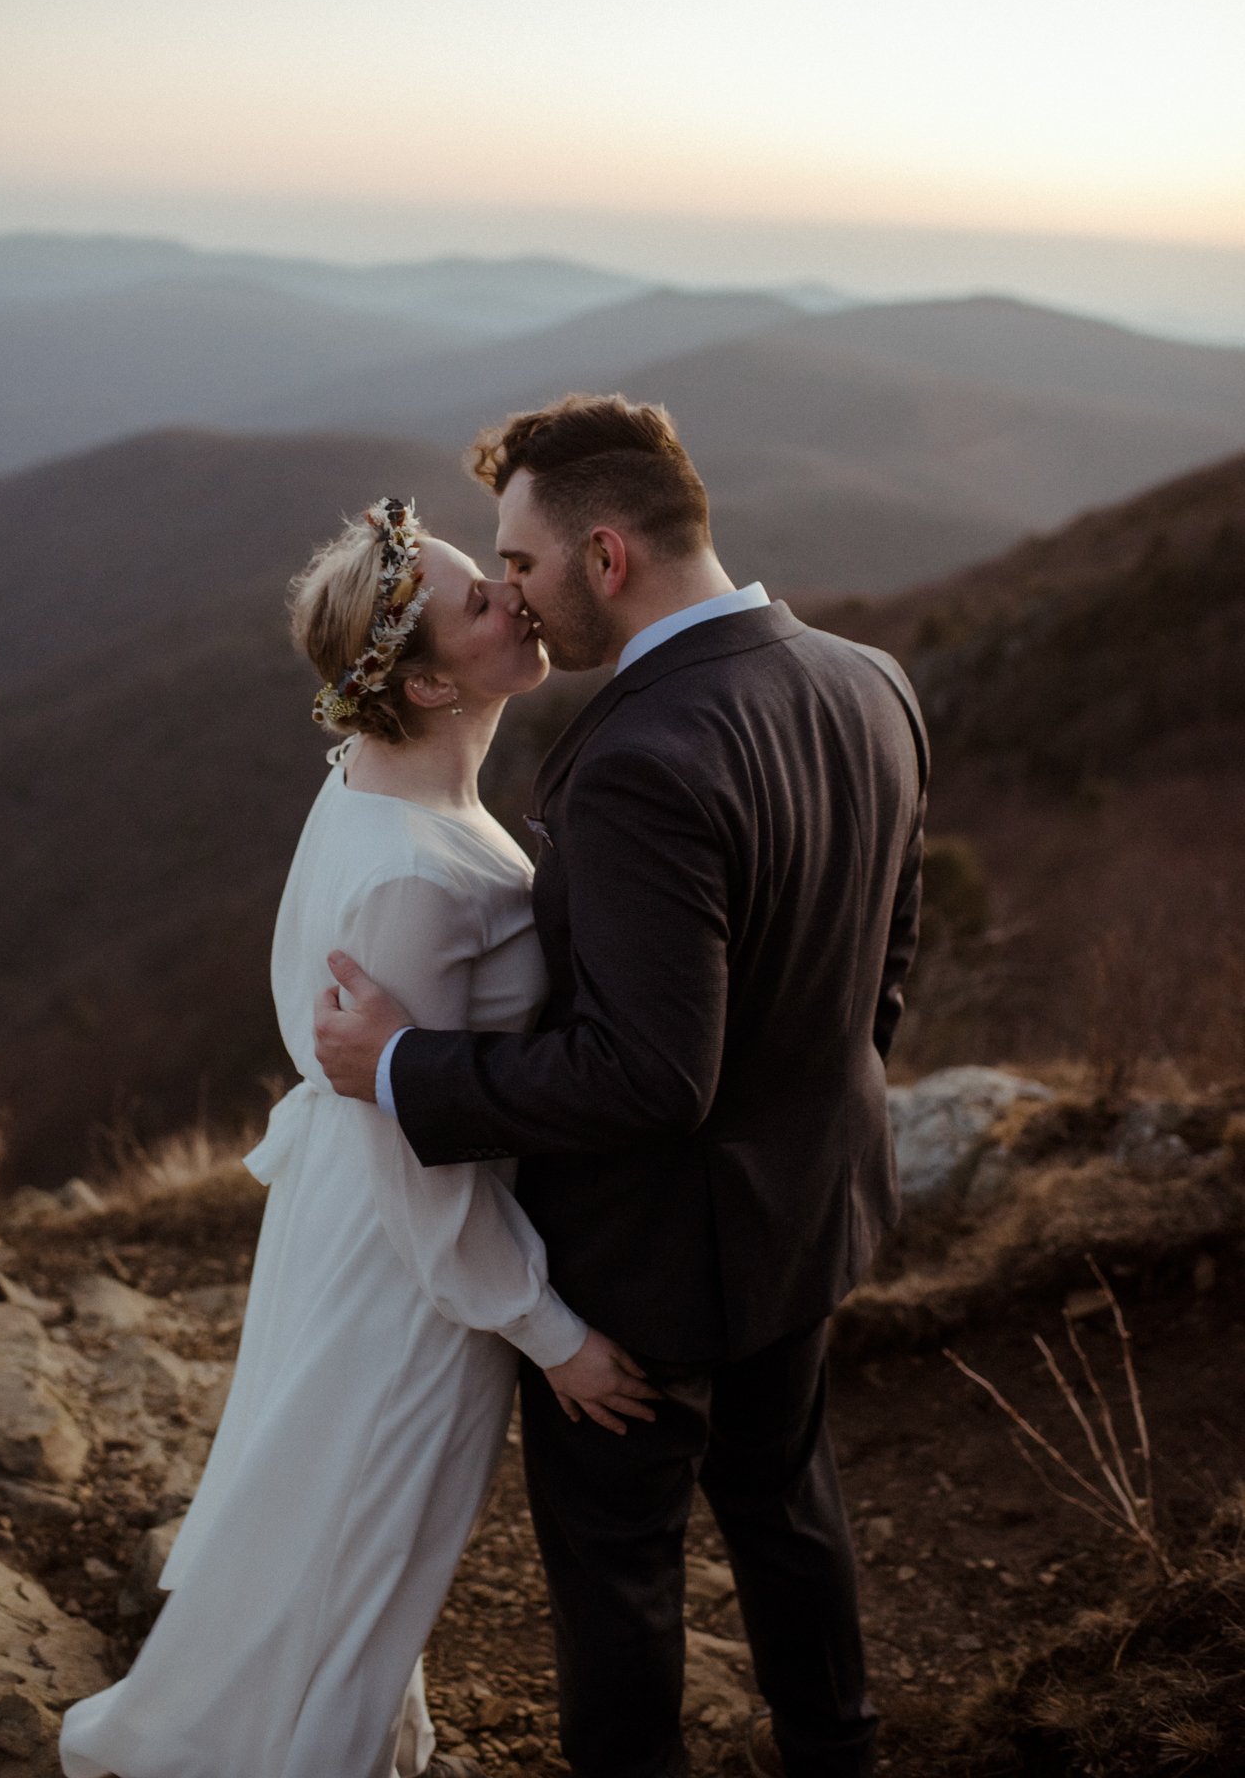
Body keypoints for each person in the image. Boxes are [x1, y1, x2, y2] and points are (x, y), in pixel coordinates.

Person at [315, 397, 930, 1778]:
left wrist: (404, 1065)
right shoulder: (866, 679)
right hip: (810, 1214)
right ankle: (839, 1752)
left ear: (603, 558)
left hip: (649, 1266)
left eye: (518, 565)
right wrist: (803, 1118)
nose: (512, 594)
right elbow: (882, 955)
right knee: (785, 1510)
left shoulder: (640, 759)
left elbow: (649, 1076)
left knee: (620, 1579)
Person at [59, 498, 655, 1778]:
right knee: (361, 1538)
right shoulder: (409, 878)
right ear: (433, 679)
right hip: (403, 1272)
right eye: (480, 598)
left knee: (334, 1522)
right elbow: (417, 1157)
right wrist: (555, 1336)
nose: (514, 595)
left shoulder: (375, 785)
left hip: (354, 1212)